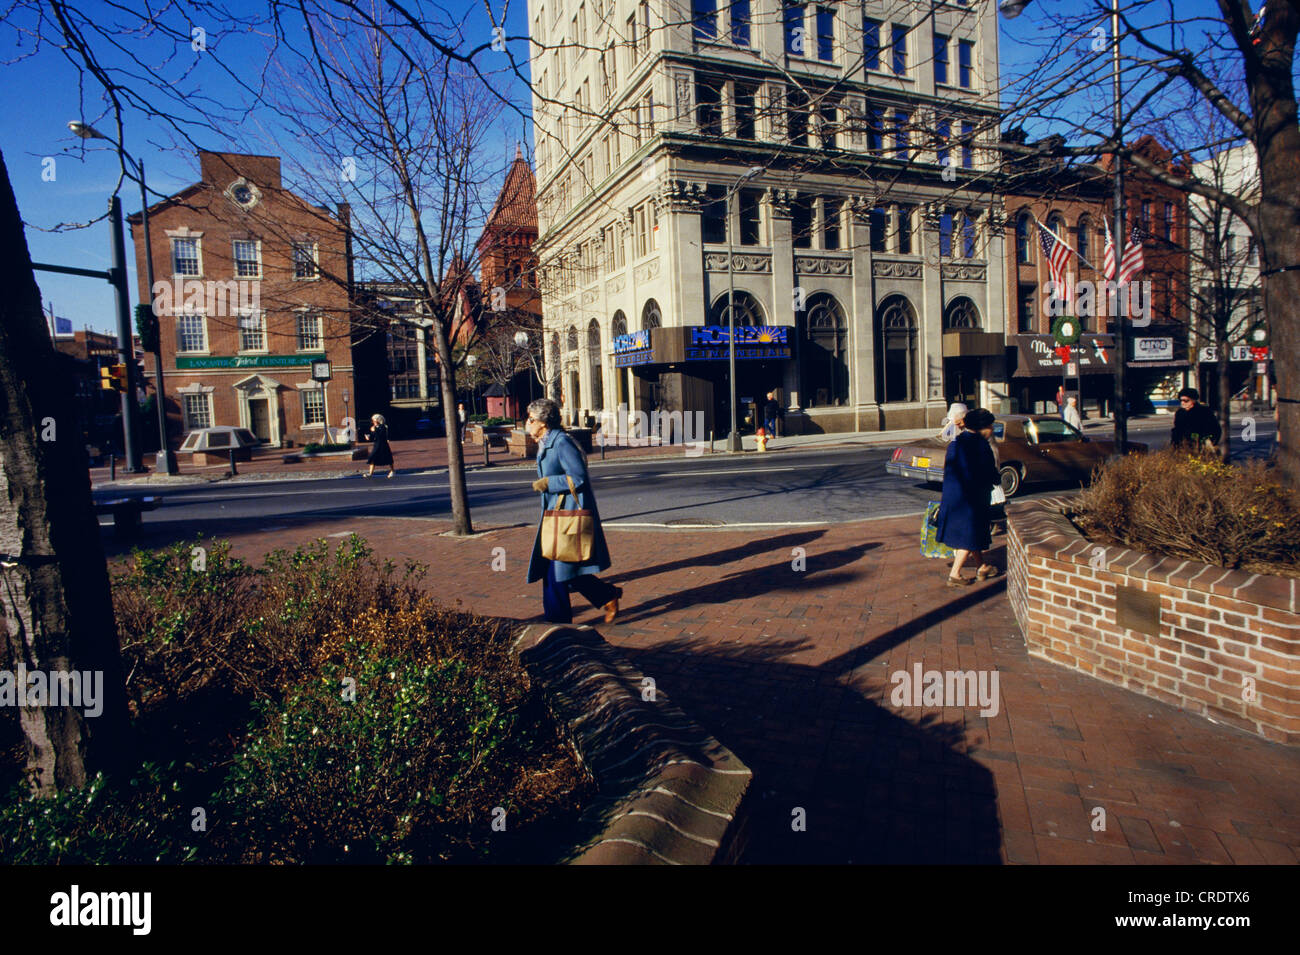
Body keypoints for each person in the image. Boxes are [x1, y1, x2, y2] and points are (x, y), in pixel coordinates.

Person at [524, 398, 623, 624]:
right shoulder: (546, 440)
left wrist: (548, 482)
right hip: (554, 515)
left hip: (567, 516)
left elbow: (578, 477)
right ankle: (607, 595)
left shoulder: (561, 443)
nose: (527, 423)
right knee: (563, 568)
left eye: (531, 419)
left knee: (558, 569)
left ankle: (558, 621)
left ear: (543, 422)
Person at [936, 407, 1000, 586]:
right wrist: (997, 479)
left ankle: (983, 566)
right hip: (973, 499)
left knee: (973, 533)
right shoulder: (981, 446)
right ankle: (955, 574)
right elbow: (990, 473)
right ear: (982, 428)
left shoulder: (956, 443)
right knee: (970, 533)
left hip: (953, 497)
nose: (992, 430)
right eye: (990, 426)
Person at [1171, 387, 1221, 451]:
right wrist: (1174, 445)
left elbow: (1215, 429)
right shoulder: (1180, 413)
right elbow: (1177, 429)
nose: (1182, 403)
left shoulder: (1204, 411)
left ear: (1193, 400)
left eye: (1186, 400)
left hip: (1201, 446)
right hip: (1182, 447)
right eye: (1181, 400)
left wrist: (1209, 442)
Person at [363, 413, 394, 478]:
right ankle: (370, 474)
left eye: (374, 420)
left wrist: (375, 430)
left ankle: (392, 471)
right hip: (376, 445)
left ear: (378, 420)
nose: (373, 422)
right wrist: (368, 437)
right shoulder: (373, 427)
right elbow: (373, 436)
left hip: (383, 445)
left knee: (388, 458)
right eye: (373, 421)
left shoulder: (383, 426)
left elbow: (381, 435)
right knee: (372, 457)